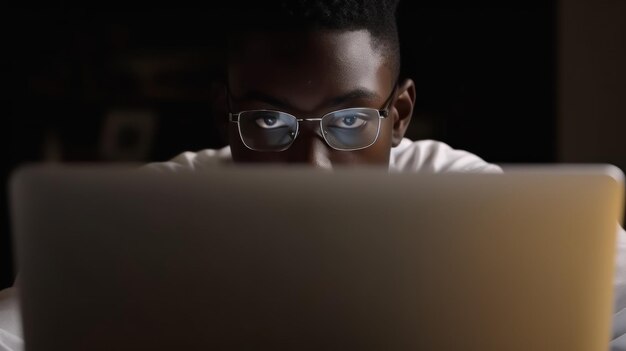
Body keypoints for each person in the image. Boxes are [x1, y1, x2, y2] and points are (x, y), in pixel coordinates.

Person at [1, 1, 625, 350]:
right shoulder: (146, 213)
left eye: (351, 121)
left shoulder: (469, 202)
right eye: (270, 122)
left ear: (399, 113)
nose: (310, 165)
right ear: (225, 115)